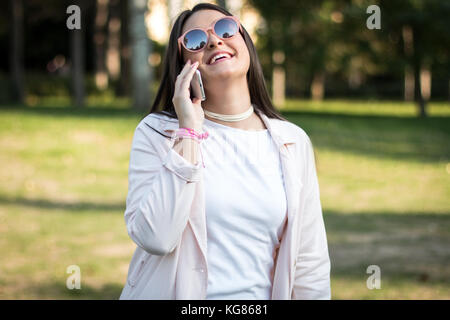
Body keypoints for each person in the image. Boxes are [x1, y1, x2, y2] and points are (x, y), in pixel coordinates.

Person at [119, 2, 330, 300]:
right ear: (182, 66)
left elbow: (310, 261)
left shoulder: (292, 141)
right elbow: (156, 237)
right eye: (195, 40)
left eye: (225, 29)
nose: (216, 41)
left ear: (244, 39)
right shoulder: (157, 133)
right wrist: (188, 132)